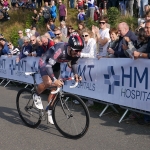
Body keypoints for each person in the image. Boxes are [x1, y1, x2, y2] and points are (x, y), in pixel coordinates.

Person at [33, 35, 84, 124]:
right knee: (49, 82)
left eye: (80, 50)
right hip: (45, 62)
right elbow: (48, 65)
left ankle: (49, 111)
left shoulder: (76, 52)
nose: (78, 53)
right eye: (76, 51)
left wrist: (75, 74)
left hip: (56, 64)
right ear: (70, 47)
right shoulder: (60, 49)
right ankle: (36, 94)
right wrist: (54, 79)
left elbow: (74, 63)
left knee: (56, 88)